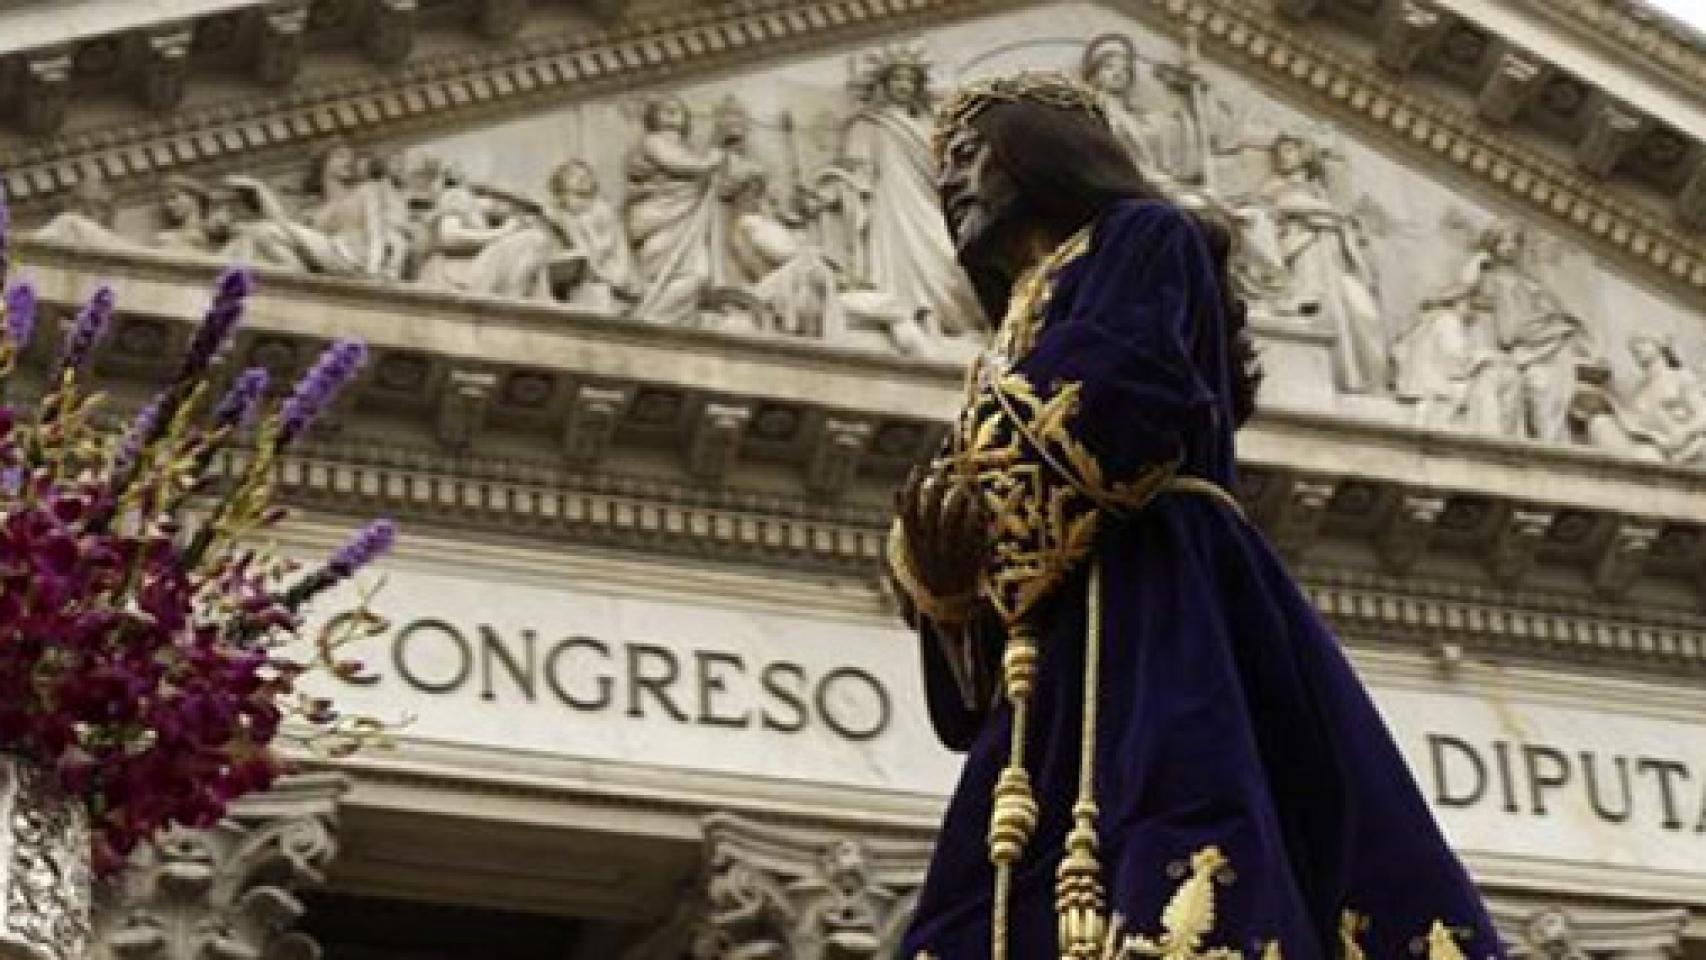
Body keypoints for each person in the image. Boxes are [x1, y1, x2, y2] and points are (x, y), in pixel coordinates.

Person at [885, 71, 1503, 960]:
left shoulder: (1144, 237)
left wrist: (962, 505)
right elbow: (977, 686)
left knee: (1179, 834)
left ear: (1043, 152)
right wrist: (948, 589)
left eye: (974, 156)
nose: (950, 183)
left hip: (1159, 602)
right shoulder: (1013, 326)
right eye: (944, 168)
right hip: (1066, 653)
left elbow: (1122, 402)